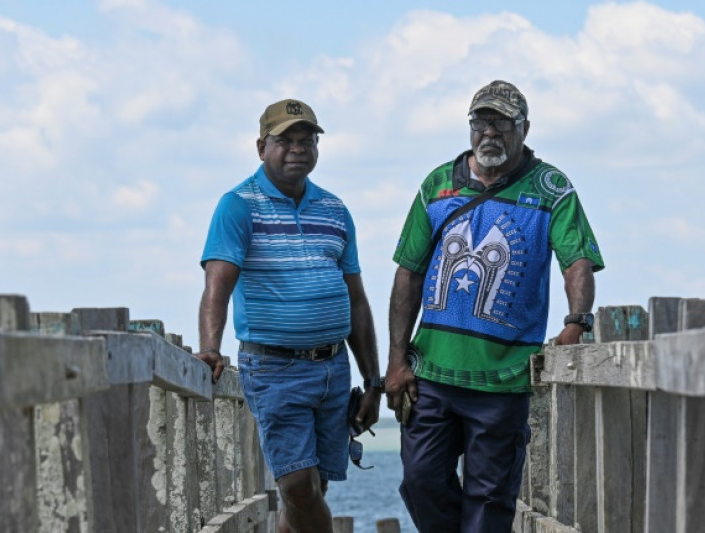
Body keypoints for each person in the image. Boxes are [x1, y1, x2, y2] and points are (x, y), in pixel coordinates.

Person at [385, 80, 604, 532]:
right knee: (420, 480)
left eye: (501, 123)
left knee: (489, 500)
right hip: (432, 375)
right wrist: (396, 359)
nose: (490, 132)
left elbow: (577, 261)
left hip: (503, 382)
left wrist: (576, 322)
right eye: (481, 122)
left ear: (524, 128)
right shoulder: (438, 185)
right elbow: (408, 272)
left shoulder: (551, 188)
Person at [195, 98, 382, 533]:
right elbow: (217, 286)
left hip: (333, 366)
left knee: (313, 487)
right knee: (297, 485)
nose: (298, 148)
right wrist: (210, 348)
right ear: (262, 147)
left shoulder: (335, 210)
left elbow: (356, 299)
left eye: (307, 140)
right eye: (286, 140)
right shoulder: (238, 205)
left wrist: (372, 382)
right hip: (274, 366)